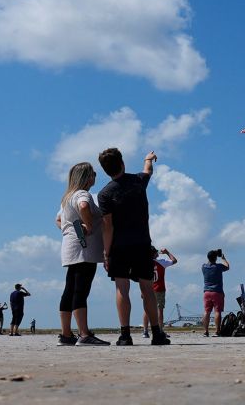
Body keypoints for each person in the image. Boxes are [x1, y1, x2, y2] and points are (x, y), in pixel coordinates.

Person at [97, 148, 169, 346]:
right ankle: (157, 333)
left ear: (105, 170)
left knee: (122, 288)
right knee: (147, 288)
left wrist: (106, 252)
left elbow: (108, 226)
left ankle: (125, 335)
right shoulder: (137, 181)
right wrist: (148, 158)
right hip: (142, 243)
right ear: (122, 163)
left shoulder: (104, 194)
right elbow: (148, 171)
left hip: (119, 247)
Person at [56, 161, 110, 346]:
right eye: (93, 173)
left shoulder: (67, 197)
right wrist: (87, 226)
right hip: (84, 249)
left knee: (69, 290)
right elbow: (84, 206)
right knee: (81, 290)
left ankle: (65, 334)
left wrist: (69, 230)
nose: (95, 176)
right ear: (87, 177)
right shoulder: (81, 194)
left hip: (70, 247)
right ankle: (84, 334)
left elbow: (58, 219)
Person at [143, 247, 178, 338]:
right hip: (159, 289)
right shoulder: (161, 262)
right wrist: (167, 252)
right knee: (160, 310)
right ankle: (160, 330)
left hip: (147, 289)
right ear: (154, 254)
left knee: (146, 310)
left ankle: (145, 331)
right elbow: (174, 261)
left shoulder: (145, 263)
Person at [201, 249, 230, 337]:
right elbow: (227, 266)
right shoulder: (218, 267)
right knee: (217, 311)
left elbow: (209, 260)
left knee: (207, 312)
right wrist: (223, 258)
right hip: (217, 292)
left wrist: (213, 253)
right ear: (215, 258)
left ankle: (206, 331)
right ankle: (217, 331)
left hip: (206, 292)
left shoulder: (204, 266)